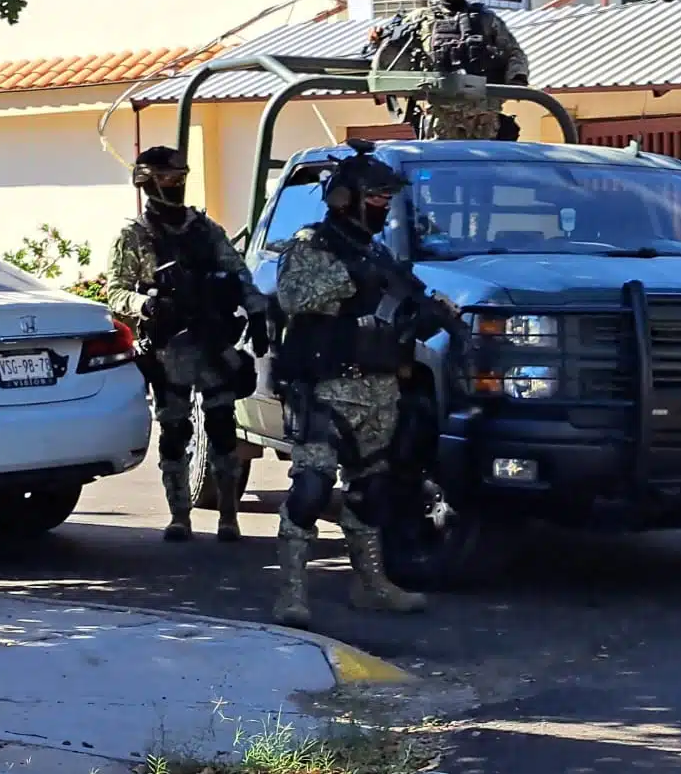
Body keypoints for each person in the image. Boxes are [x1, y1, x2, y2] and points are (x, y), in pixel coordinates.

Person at [268, 144, 437, 628]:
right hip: (324, 388)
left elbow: (400, 309)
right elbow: (293, 296)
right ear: (346, 198)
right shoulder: (312, 244)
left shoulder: (379, 252)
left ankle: (371, 584)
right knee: (311, 488)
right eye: (377, 195)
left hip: (377, 390)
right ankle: (292, 595)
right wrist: (354, 278)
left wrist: (422, 315)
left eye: (389, 196)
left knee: (371, 491)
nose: (385, 205)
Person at [106, 146, 268, 543]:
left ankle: (228, 515)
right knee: (175, 430)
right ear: (147, 182)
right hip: (167, 346)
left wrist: (258, 313)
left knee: (222, 427)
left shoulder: (205, 230)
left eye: (180, 177)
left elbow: (238, 272)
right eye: (166, 179)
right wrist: (145, 304)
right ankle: (180, 516)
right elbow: (115, 290)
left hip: (212, 341)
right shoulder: (135, 236)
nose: (175, 185)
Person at [385, 0, 530, 141]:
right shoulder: (418, 20)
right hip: (439, 116)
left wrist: (516, 80)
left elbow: (514, 53)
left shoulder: (487, 20)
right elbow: (389, 57)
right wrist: (380, 40)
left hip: (483, 116)